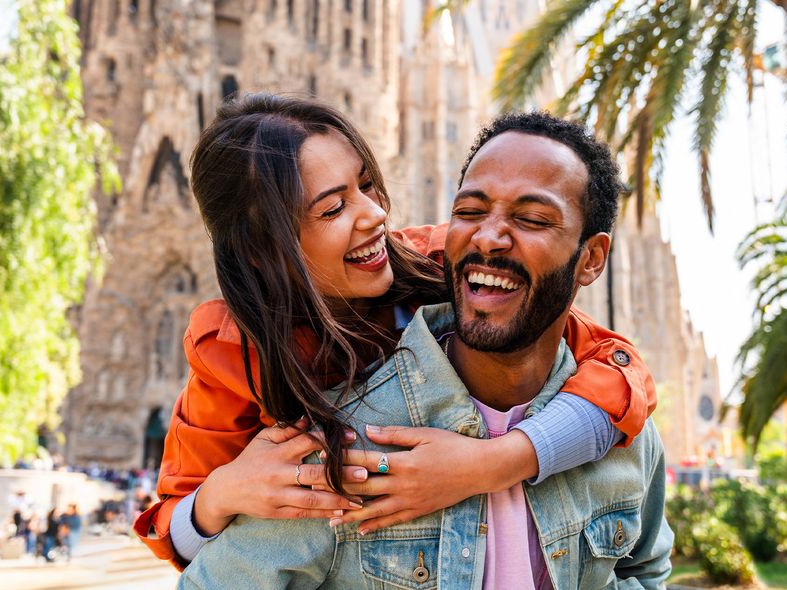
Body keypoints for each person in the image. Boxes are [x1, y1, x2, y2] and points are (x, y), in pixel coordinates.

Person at [134, 93, 657, 568]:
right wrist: (222, 495)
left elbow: (617, 368)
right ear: (262, 247)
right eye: (334, 207)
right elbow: (177, 533)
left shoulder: (440, 264)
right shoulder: (231, 348)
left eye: (366, 185)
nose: (375, 214)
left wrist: (492, 463)